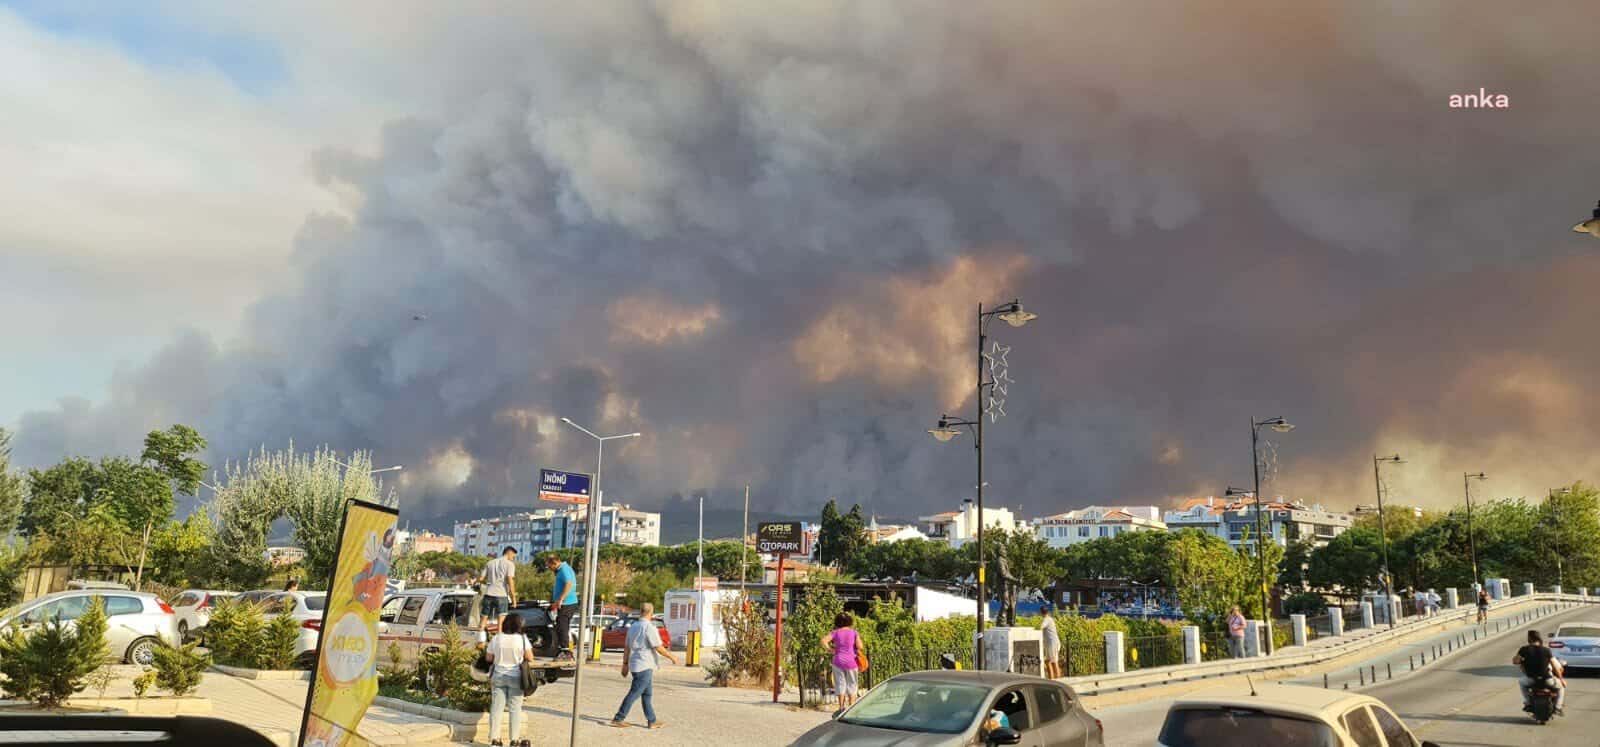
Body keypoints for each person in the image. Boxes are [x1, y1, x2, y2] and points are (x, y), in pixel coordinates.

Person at [609, 602, 678, 729]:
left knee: (647, 694)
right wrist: (672, 657)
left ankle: (652, 720)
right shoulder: (649, 627)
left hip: (636, 664)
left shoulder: (633, 626)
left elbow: (627, 648)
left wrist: (625, 665)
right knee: (634, 693)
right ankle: (618, 718)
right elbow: (658, 647)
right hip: (644, 665)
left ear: (641, 611)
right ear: (651, 613)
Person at [482, 612, 534, 747]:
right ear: (519, 625)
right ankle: (514, 740)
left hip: (498, 676)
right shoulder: (522, 639)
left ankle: (495, 740)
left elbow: (488, 658)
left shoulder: (497, 638)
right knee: (515, 709)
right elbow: (530, 657)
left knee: (496, 708)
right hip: (516, 676)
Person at [1513, 630, 1565, 716]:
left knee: (1522, 683)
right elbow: (1555, 667)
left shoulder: (1524, 649)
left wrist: (1520, 659)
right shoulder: (1547, 650)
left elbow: (1515, 661)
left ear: (1529, 639)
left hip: (1531, 679)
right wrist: (1561, 679)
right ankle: (1558, 707)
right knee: (1561, 688)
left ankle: (1528, 703)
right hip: (1547, 679)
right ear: (1539, 639)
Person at [823, 612, 864, 712]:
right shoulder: (854, 632)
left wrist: (830, 650)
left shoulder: (835, 632)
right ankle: (851, 707)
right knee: (852, 684)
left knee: (840, 684)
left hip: (838, 661)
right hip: (851, 662)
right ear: (849, 621)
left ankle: (841, 707)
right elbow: (860, 647)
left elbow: (823, 640)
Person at [545, 553, 579, 656]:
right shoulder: (563, 569)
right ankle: (561, 648)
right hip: (564, 603)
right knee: (559, 625)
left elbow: (569, 584)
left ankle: (565, 651)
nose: (549, 568)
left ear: (554, 563)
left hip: (567, 603)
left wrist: (560, 599)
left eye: (549, 566)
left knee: (562, 626)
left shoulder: (564, 569)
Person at [478, 546, 518, 630]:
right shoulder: (510, 564)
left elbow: (481, 579)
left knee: (483, 621)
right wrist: (513, 598)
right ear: (509, 552)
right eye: (513, 556)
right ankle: (499, 641)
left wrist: (489, 583)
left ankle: (479, 640)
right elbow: (510, 580)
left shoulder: (490, 562)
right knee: (500, 624)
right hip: (501, 595)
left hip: (488, 594)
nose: (513, 559)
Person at [1039, 604, 1062, 679]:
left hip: (1053, 643)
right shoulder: (1050, 619)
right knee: (1048, 661)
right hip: (1051, 643)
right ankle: (1051, 679)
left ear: (1041, 612)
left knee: (1054, 662)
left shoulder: (1046, 619)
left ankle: (1058, 680)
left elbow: (1041, 627)